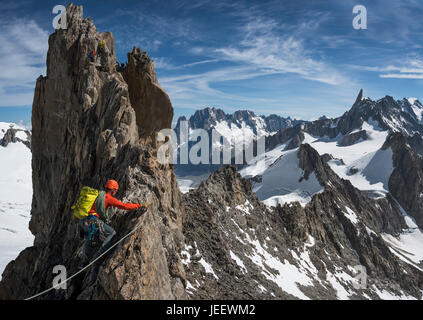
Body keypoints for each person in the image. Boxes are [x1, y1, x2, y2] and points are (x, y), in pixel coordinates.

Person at [79, 179, 148, 267]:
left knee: (92, 238)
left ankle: (84, 262)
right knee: (111, 233)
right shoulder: (108, 198)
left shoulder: (99, 195)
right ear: (113, 190)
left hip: (84, 221)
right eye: (116, 190)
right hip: (93, 220)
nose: (116, 192)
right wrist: (139, 205)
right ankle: (101, 254)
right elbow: (124, 206)